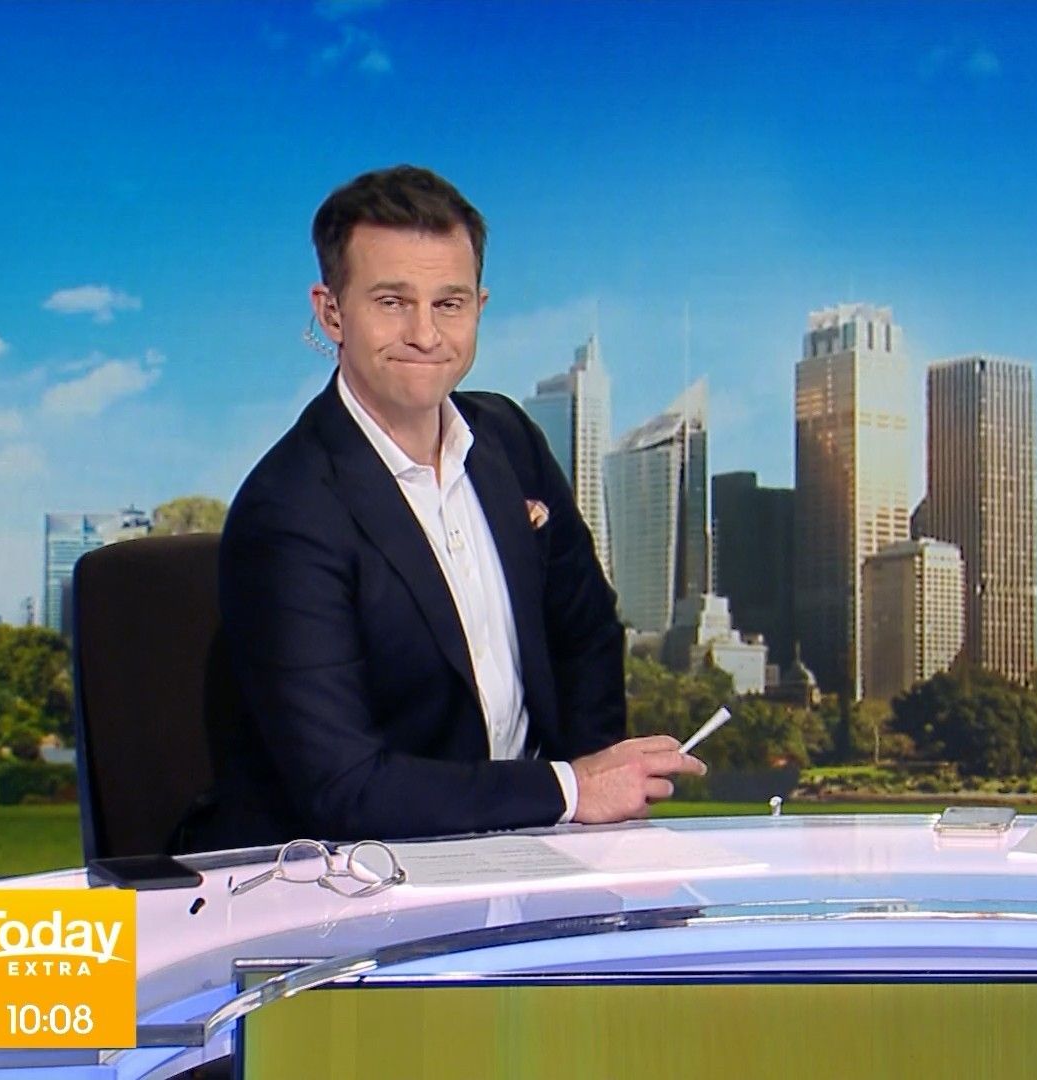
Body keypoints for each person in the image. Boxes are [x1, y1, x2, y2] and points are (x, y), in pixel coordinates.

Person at [188, 165, 703, 850]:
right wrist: (571, 790)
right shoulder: (287, 510)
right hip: (351, 871)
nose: (426, 334)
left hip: (532, 848)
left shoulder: (508, 438)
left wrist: (592, 814)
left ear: (479, 307)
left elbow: (586, 635)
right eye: (392, 302)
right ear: (331, 312)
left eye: (450, 304)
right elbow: (346, 787)